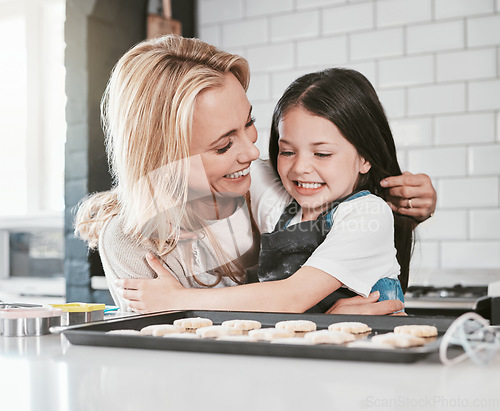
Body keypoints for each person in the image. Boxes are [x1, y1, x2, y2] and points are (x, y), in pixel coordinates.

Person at [75, 35, 435, 314]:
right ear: (163, 159)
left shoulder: (259, 185)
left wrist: (404, 207)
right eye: (222, 146)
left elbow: (342, 225)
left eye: (249, 123)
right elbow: (174, 358)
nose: (252, 152)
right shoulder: (130, 241)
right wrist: (319, 321)